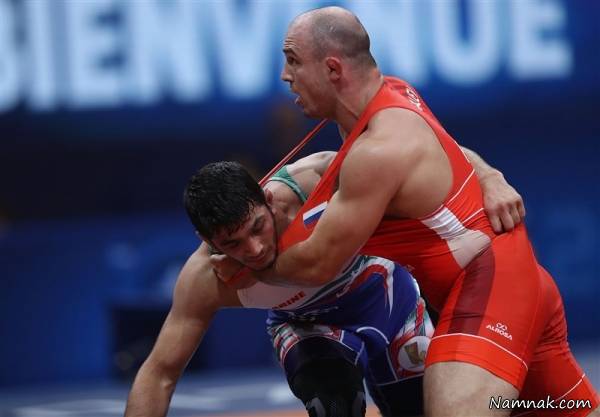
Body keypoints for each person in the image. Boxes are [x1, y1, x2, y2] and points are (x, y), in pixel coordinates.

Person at [211, 7, 600, 417]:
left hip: (491, 285)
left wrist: (249, 266)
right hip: (515, 279)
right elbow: (446, 151)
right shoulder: (395, 94)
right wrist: (489, 173)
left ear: (332, 68)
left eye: (293, 60)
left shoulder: (377, 151)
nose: (284, 75)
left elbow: (318, 263)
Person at [124, 147, 522, 417]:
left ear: (267, 198)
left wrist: (490, 177)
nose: (254, 248)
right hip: (310, 328)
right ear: (206, 240)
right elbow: (159, 374)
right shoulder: (206, 278)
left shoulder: (319, 179)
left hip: (394, 309)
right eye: (232, 244)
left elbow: (426, 151)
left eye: (257, 227)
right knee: (334, 402)